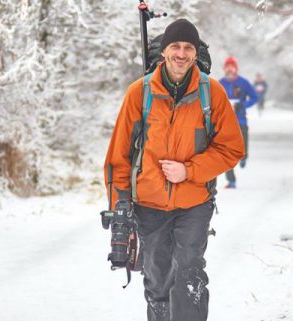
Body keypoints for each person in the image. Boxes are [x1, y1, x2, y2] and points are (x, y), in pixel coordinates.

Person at [103, 19, 245, 321]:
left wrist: (189, 171)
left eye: (188, 48)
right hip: (149, 205)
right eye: (176, 47)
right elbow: (119, 156)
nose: (182, 53)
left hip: (194, 204)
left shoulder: (213, 93)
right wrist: (120, 205)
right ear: (164, 51)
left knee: (189, 273)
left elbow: (232, 148)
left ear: (196, 53)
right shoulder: (139, 94)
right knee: (157, 278)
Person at [218, 56, 258, 189]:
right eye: (227, 67)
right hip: (224, 121)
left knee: (242, 143)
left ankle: (244, 157)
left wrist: (243, 105)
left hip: (240, 119)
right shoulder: (220, 83)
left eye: (232, 66)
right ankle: (231, 180)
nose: (230, 69)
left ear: (236, 69)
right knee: (225, 150)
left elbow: (254, 97)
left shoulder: (243, 83)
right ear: (224, 69)